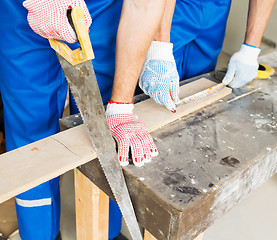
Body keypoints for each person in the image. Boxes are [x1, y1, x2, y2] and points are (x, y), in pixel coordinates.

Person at [0, 0, 179, 239]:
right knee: (30, 136)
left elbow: (144, 5)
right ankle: (37, 235)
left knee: (104, 135)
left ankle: (106, 232)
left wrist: (122, 107)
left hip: (101, 9)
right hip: (20, 10)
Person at [170, 0, 276, 87]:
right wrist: (160, 49)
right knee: (164, 74)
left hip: (217, 7)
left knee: (199, 82)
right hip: (172, 5)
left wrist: (250, 50)